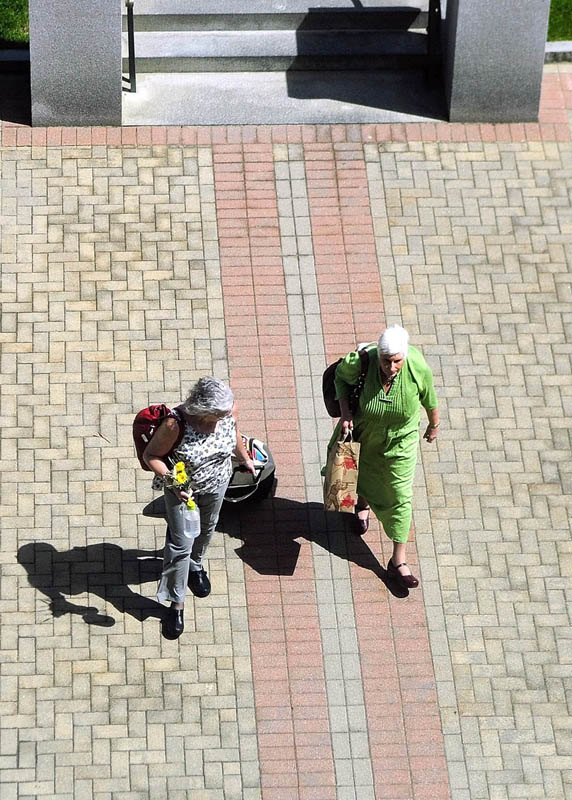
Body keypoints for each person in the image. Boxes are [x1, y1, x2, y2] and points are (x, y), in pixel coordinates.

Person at [143, 376, 256, 638]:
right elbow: (152, 456)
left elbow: (234, 433)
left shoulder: (227, 413)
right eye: (217, 415)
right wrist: (172, 482)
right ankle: (176, 602)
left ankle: (196, 565)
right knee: (180, 544)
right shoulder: (175, 424)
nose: (222, 419)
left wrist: (244, 458)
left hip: (218, 484)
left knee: (207, 530)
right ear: (203, 409)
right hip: (184, 493)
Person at [332, 325, 439, 589]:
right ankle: (362, 504)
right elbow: (340, 379)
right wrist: (345, 414)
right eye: (386, 361)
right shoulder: (362, 361)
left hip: (401, 444)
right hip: (364, 434)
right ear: (378, 354)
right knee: (362, 473)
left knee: (401, 495)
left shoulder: (416, 366)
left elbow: (429, 397)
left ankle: (398, 561)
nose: (391, 367)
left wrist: (433, 425)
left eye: (397, 361)